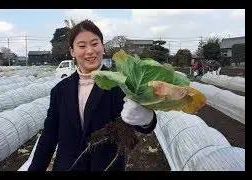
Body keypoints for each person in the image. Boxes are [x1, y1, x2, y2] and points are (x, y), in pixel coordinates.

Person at [28, 20, 157, 171]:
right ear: (72, 52)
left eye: (95, 44)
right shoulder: (60, 91)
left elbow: (145, 126)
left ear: (103, 47)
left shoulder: (122, 85)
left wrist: (146, 120)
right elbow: (48, 137)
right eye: (82, 46)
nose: (89, 51)